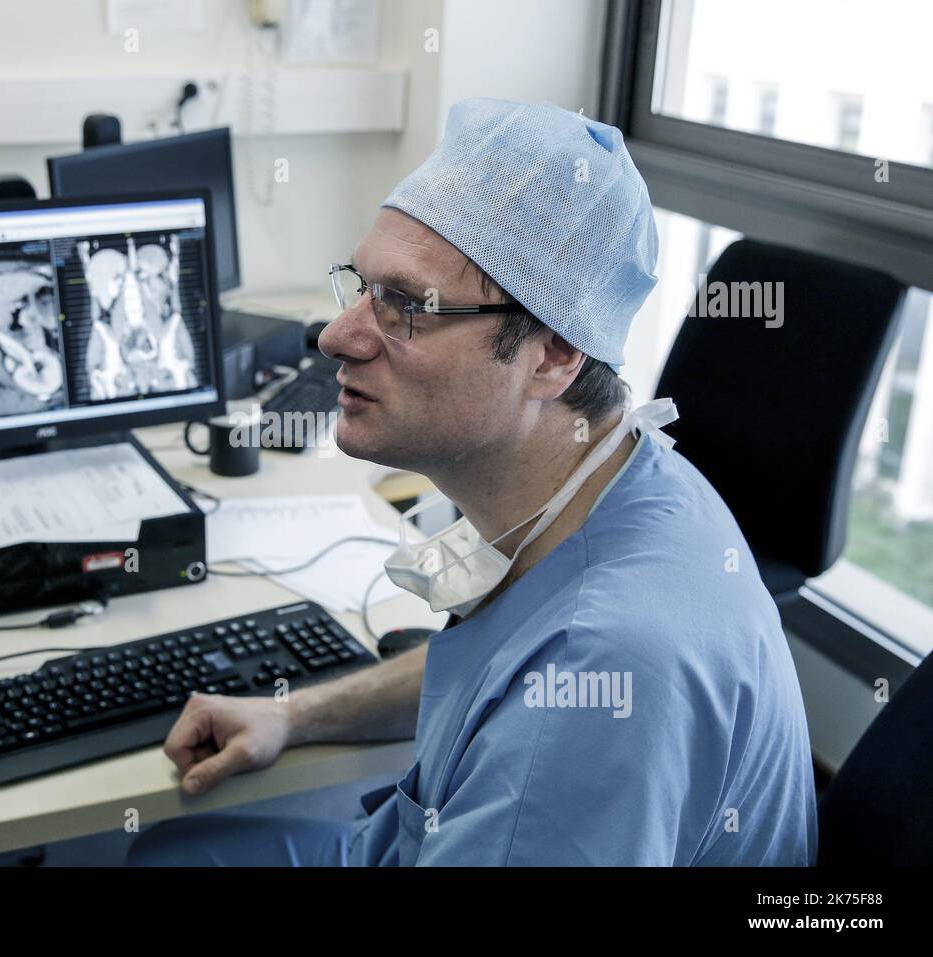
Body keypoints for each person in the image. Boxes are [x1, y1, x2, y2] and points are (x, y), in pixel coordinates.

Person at [128, 98, 817, 866]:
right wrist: (295, 714)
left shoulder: (599, 681)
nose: (336, 336)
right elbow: (505, 654)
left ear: (553, 354)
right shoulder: (624, 476)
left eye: (406, 306)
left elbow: (554, 685)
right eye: (360, 286)